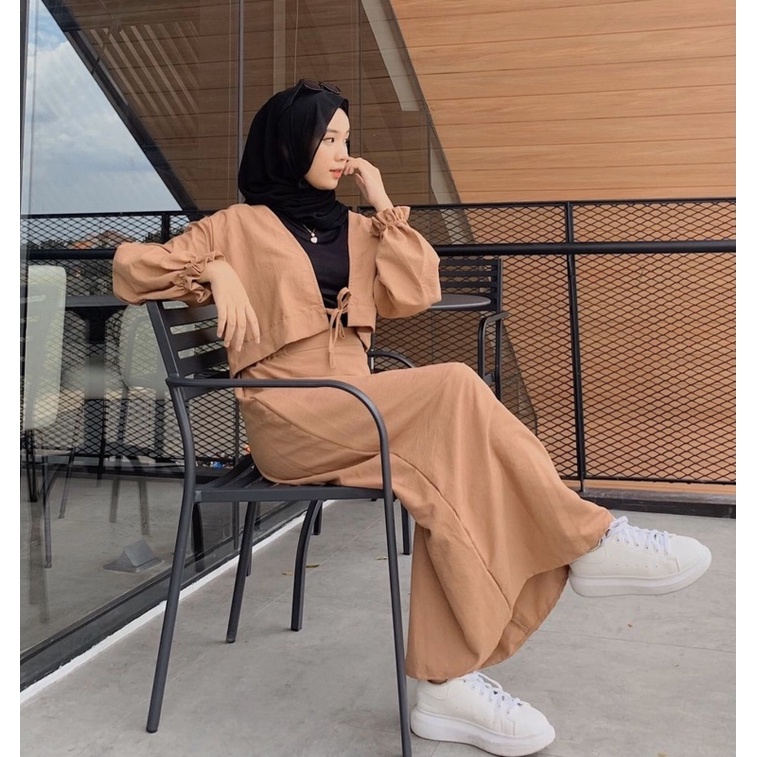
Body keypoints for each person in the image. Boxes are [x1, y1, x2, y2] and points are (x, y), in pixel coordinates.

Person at [112, 79, 712, 757]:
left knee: (444, 472)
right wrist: (213, 272)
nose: (340, 152)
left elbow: (416, 291)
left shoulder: (356, 228)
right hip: (291, 415)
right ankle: (585, 541)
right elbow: (129, 269)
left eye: (345, 139)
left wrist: (380, 207)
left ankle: (445, 685)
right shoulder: (235, 226)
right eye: (326, 138)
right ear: (288, 143)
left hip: (358, 407)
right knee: (453, 385)